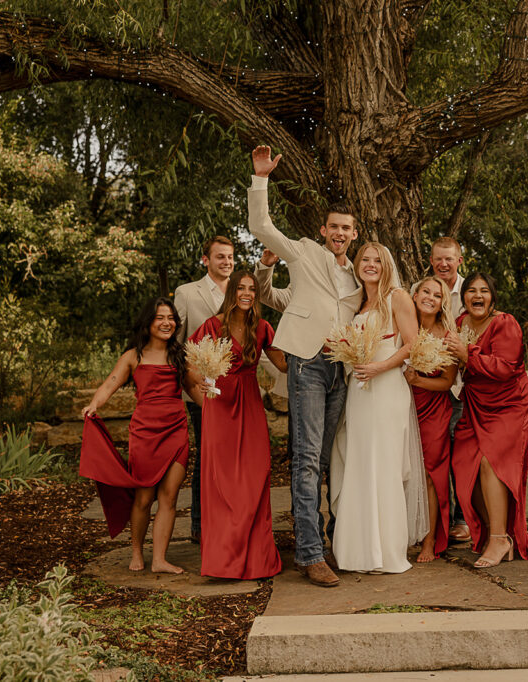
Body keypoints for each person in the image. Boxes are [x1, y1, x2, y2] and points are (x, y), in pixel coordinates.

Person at [249, 145, 363, 588]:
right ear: (323, 230)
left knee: (333, 458)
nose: (339, 233)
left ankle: (338, 540)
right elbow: (260, 225)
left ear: (354, 234)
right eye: (334, 226)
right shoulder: (302, 253)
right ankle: (310, 553)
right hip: (307, 364)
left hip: (342, 370)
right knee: (308, 459)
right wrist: (262, 178)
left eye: (346, 228)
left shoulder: (359, 275)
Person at [79, 298, 203, 573]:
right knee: (144, 498)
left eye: (170, 317)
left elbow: (194, 388)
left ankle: (159, 559)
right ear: (148, 322)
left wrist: (216, 413)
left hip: (176, 431)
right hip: (145, 433)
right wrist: (94, 404)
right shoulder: (133, 356)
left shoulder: (180, 355)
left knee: (170, 498)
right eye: (160, 317)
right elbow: (111, 382)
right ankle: (137, 551)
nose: (166, 322)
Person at [445, 273, 528, 567]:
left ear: (492, 297)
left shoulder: (505, 323)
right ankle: (494, 532)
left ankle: (499, 539)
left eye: (484, 291)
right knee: (463, 462)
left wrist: (467, 355)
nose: (477, 295)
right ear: (464, 297)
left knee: (489, 462)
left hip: (510, 403)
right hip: (475, 403)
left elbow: (507, 368)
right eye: (471, 290)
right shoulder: (458, 324)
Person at [329, 242, 427, 574]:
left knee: (382, 466)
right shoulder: (358, 301)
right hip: (359, 390)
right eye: (365, 260)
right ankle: (357, 552)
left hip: (386, 389)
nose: (370, 265)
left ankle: (385, 552)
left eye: (377, 260)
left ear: (386, 265)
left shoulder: (397, 297)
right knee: (360, 462)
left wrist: (379, 367)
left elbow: (413, 344)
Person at [188, 271, 288, 580]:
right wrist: (200, 382)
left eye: (252, 289)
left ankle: (256, 559)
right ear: (232, 291)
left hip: (250, 406)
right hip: (219, 406)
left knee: (255, 477)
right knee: (222, 483)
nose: (247, 293)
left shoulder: (262, 327)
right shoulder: (211, 326)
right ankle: (224, 561)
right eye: (241, 288)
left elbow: (284, 363)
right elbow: (189, 363)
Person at [174, 235, 235, 544]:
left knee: (232, 459)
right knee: (208, 456)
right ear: (206, 260)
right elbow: (178, 341)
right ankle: (200, 526)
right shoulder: (187, 293)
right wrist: (190, 383)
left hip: (236, 391)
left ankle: (229, 521)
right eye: (220, 257)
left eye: (230, 257)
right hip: (202, 390)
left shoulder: (240, 293)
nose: (226, 262)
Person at [404, 276, 459, 562]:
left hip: (433, 410)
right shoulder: (403, 325)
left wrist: (417, 381)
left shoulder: (446, 335)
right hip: (402, 407)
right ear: (414, 296)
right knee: (402, 473)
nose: (430, 297)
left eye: (437, 295)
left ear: (442, 304)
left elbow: (448, 382)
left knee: (430, 476)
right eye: (425, 291)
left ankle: (430, 540)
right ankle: (401, 534)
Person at [427, 237, 471, 544]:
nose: (444, 264)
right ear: (431, 261)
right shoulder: (424, 290)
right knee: (433, 455)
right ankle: (433, 520)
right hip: (430, 387)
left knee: (460, 454)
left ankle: (463, 519)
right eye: (438, 259)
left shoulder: (473, 292)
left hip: (463, 387)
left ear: (460, 260)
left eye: (450, 259)